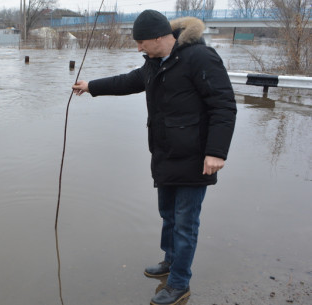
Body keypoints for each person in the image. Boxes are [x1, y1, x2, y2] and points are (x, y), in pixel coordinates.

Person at [72, 10, 236, 305]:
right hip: (164, 154)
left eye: (141, 43)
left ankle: (178, 284)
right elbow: (128, 82)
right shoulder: (153, 63)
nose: (138, 49)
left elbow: (223, 106)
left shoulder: (200, 57)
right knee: (168, 216)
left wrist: (216, 152)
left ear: (161, 38)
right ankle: (170, 261)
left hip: (195, 157)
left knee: (186, 223)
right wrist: (91, 86)